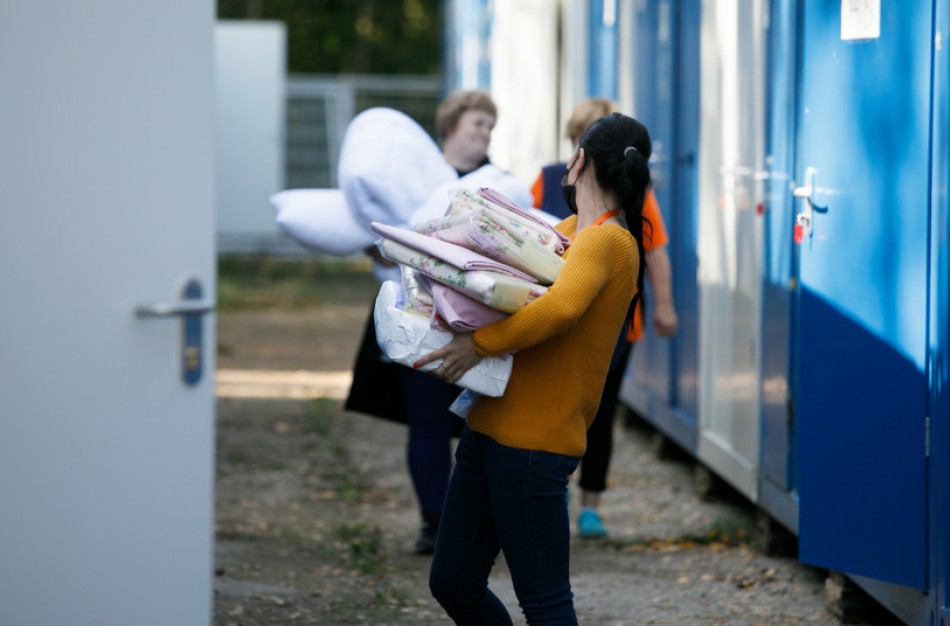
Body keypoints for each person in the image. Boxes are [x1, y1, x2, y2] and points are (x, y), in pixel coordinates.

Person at [415, 112, 653, 624]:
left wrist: (477, 345)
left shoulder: (608, 241)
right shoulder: (574, 232)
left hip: (532, 445)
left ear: (579, 161)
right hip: (490, 430)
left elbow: (561, 309)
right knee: (453, 581)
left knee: (545, 603)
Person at [345, 90, 529, 555]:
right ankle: (434, 521)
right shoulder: (408, 180)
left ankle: (480, 525)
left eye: (490, 125)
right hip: (418, 318)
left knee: (482, 425)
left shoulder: (501, 184)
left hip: (475, 326)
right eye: (476, 124)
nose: (485, 133)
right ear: (449, 126)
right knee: (425, 422)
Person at [532, 98, 678, 538]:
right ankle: (551, 488)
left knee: (598, 409)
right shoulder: (547, 179)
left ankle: (590, 503)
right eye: (582, 137)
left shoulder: (632, 189)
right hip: (559, 309)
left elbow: (655, 250)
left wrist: (665, 306)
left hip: (616, 322)